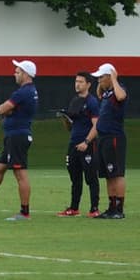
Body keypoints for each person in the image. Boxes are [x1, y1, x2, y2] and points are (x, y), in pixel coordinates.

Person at [0, 60, 39, 221]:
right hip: (14, 136)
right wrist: (9, 110)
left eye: (17, 72)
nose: (14, 74)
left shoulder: (22, 92)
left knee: (20, 173)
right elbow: (6, 109)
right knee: (0, 167)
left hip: (18, 135)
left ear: (25, 74)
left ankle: (24, 212)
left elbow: (2, 109)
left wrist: (7, 110)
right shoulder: (29, 91)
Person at [83, 63, 128, 219]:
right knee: (108, 174)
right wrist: (101, 86)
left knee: (117, 173)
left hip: (114, 137)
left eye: (102, 77)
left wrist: (114, 79)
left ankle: (119, 209)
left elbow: (122, 96)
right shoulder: (107, 94)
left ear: (110, 77)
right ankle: (111, 207)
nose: (99, 80)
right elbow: (101, 94)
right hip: (103, 138)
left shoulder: (118, 90)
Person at [56, 72, 101, 217]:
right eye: (76, 81)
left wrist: (86, 142)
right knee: (75, 178)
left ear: (88, 84)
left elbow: (96, 125)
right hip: (73, 143)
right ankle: (74, 208)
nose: (77, 84)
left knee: (91, 177)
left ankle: (94, 208)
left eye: (81, 81)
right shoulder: (75, 101)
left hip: (87, 145)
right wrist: (65, 119)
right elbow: (71, 126)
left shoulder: (92, 102)